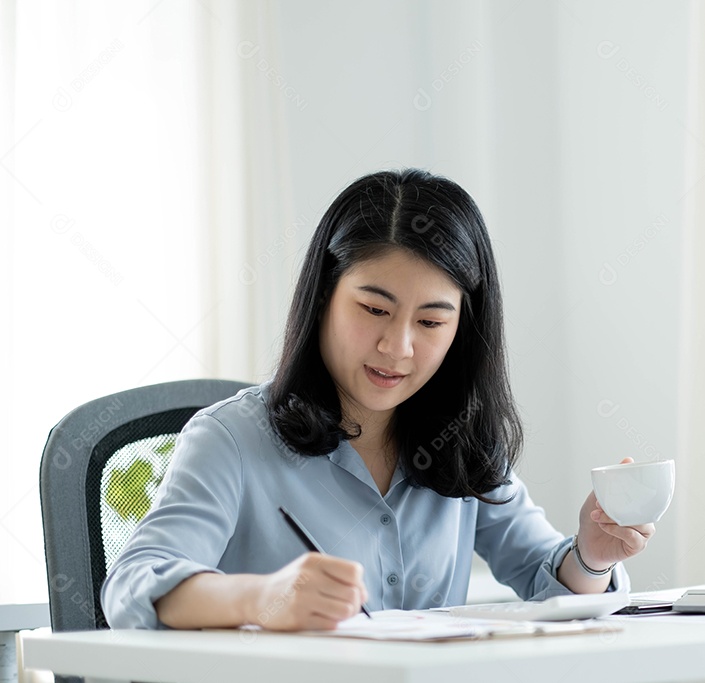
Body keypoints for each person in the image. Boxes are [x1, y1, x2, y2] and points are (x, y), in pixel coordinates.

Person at [102, 168, 654, 630]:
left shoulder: (458, 443)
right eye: (373, 310)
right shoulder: (232, 440)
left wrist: (592, 554)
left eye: (432, 321)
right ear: (323, 298)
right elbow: (133, 584)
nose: (398, 347)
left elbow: (548, 583)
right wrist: (262, 598)